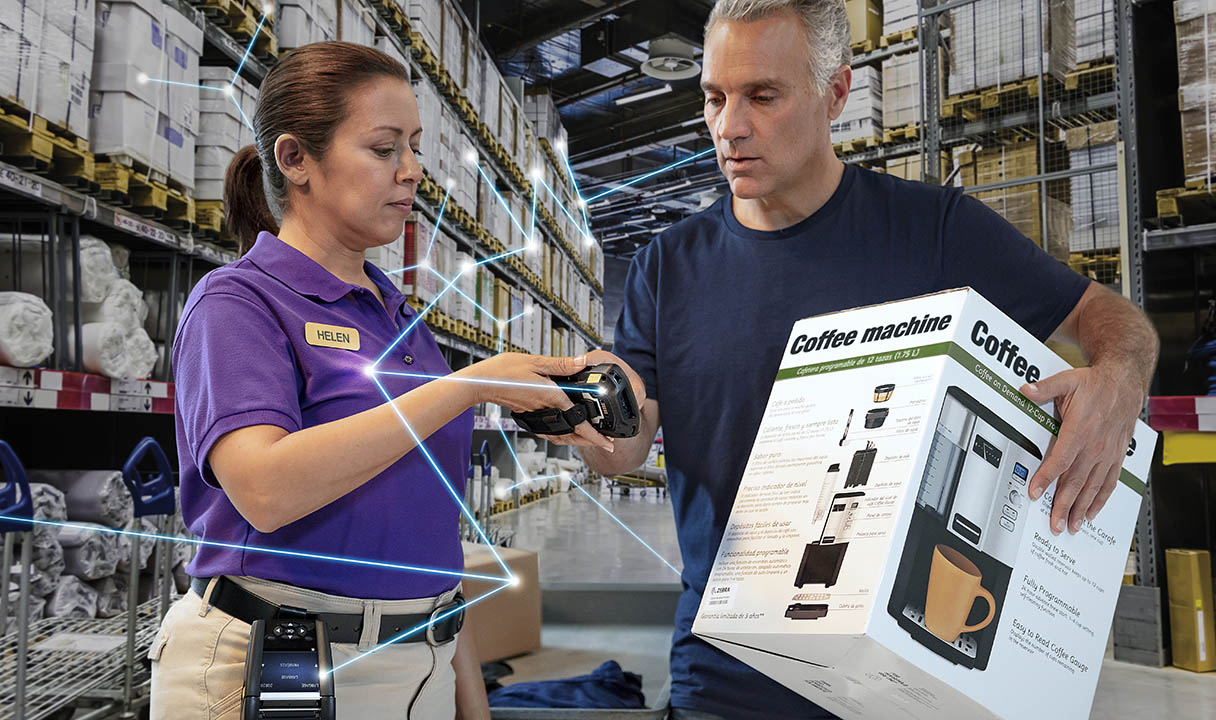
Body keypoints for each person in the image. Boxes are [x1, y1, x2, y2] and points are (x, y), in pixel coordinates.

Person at [550, 2, 1161, 718]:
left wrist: (1119, 380)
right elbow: (629, 445)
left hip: (906, 676)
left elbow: (1112, 320)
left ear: (836, 93)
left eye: (763, 96)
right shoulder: (666, 267)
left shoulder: (935, 232)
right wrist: (589, 427)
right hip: (729, 675)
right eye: (714, 98)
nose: (729, 127)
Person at [149, 42, 613, 719]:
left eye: (416, 149)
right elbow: (266, 489)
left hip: (417, 666)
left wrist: (467, 696)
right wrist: (465, 386)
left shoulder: (398, 317)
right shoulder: (237, 304)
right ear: (295, 159)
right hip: (277, 668)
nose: (413, 171)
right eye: (383, 149)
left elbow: (429, 540)